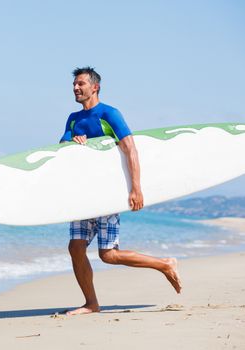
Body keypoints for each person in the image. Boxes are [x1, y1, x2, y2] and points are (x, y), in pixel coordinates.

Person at [60, 67, 182, 316]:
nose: (75, 88)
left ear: (95, 87)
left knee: (108, 254)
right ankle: (91, 303)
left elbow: (130, 149)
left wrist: (136, 188)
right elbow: (61, 146)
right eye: (74, 84)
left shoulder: (109, 114)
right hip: (84, 195)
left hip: (108, 193)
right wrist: (72, 142)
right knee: (75, 247)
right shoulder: (73, 118)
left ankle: (164, 264)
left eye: (80, 84)